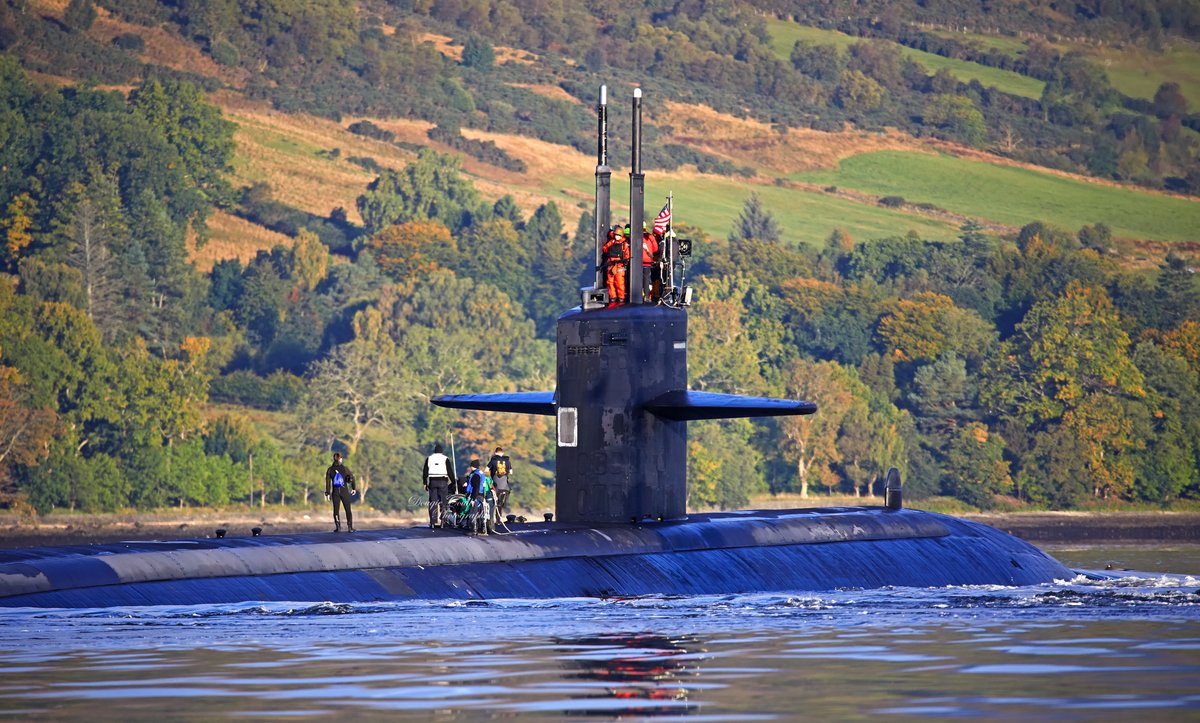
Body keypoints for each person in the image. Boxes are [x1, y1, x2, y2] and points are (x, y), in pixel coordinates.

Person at [423, 443, 457, 529]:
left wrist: (425, 483)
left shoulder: (429, 458)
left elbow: (425, 472)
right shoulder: (445, 459)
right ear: (441, 452)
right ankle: (443, 520)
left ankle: (433, 522)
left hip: (432, 481)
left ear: (434, 451)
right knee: (443, 502)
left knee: (433, 502)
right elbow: (449, 471)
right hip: (443, 481)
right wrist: (454, 482)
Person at [324, 452, 357, 532]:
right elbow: (352, 478)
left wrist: (327, 493)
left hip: (335, 493)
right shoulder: (345, 469)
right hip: (344, 492)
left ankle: (338, 527)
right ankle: (350, 527)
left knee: (336, 510)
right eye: (341, 458)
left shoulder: (330, 470)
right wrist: (353, 488)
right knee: (348, 509)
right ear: (340, 459)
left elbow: (328, 482)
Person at [464, 458, 494, 535]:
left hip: (476, 496)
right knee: (480, 513)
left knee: (473, 512)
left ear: (472, 466)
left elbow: (476, 487)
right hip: (481, 495)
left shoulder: (475, 475)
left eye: (471, 466)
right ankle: (482, 529)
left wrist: (473, 499)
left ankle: (474, 530)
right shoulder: (481, 473)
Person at [602, 226, 629, 306]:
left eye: (618, 235)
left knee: (619, 282)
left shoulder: (624, 244)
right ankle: (613, 297)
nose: (616, 236)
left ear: (621, 235)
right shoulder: (612, 242)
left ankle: (621, 297)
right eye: (615, 235)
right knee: (610, 282)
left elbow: (627, 255)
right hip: (611, 264)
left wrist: (624, 260)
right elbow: (605, 248)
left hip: (619, 265)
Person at [487, 446, 513, 520]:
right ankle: (499, 517)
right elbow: (511, 472)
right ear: (503, 453)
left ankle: (491, 519)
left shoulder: (493, 460)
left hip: (496, 485)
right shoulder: (508, 461)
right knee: (500, 502)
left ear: (495, 453)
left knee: (493, 502)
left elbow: (486, 470)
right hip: (504, 485)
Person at [641, 226, 660, 302]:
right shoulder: (651, 237)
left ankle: (636, 295)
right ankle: (646, 296)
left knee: (636, 278)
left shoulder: (635, 236)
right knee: (646, 279)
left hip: (637, 261)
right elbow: (656, 249)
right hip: (648, 261)